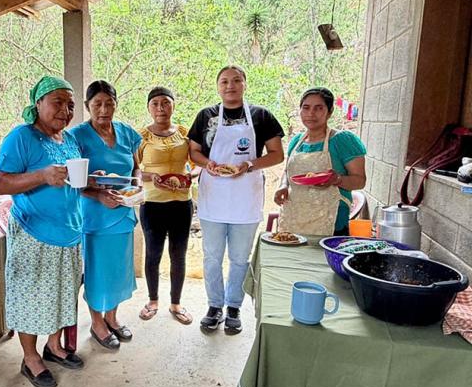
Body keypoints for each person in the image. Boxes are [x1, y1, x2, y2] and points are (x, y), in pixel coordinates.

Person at [0, 76, 85, 387]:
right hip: (34, 233)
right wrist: (43, 175)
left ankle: (54, 346)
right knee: (31, 298)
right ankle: (30, 358)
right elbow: (2, 183)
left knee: (62, 295)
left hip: (70, 231)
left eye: (70, 104)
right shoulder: (22, 137)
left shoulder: (69, 139)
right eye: (58, 102)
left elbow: (72, 180)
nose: (65, 110)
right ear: (38, 104)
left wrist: (91, 181)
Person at [189, 65, 284, 334]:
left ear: (244, 83)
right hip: (213, 197)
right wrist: (209, 164)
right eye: (224, 81)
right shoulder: (206, 115)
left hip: (246, 197)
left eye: (236, 80)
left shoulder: (261, 115)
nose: (230, 85)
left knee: (240, 258)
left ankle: (233, 306)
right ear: (218, 86)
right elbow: (193, 152)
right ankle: (214, 305)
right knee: (212, 257)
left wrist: (249, 164)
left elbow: (277, 154)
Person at [70, 80, 142, 350]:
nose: (104, 110)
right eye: (97, 104)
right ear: (88, 106)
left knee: (119, 271)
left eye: (109, 103)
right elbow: (73, 182)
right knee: (98, 273)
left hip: (123, 211)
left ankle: (112, 317)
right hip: (95, 216)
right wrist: (98, 195)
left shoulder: (126, 132)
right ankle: (97, 322)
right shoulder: (77, 136)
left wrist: (137, 185)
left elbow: (136, 167)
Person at [137, 86, 195, 325]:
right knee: (153, 253)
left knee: (178, 254)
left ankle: (176, 303)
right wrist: (152, 178)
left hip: (182, 202)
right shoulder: (141, 137)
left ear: (173, 105)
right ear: (149, 108)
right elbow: (134, 171)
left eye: (166, 103)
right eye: (155, 104)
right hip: (153, 203)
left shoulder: (184, 133)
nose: (161, 108)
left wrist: (194, 175)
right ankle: (152, 300)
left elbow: (197, 162)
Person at [274, 87, 367, 236]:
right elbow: (287, 171)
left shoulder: (342, 140)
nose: (311, 113)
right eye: (306, 108)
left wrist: (336, 179)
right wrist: (283, 186)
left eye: (319, 108)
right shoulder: (296, 141)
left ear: (329, 112)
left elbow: (360, 181)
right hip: (295, 216)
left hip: (331, 220)